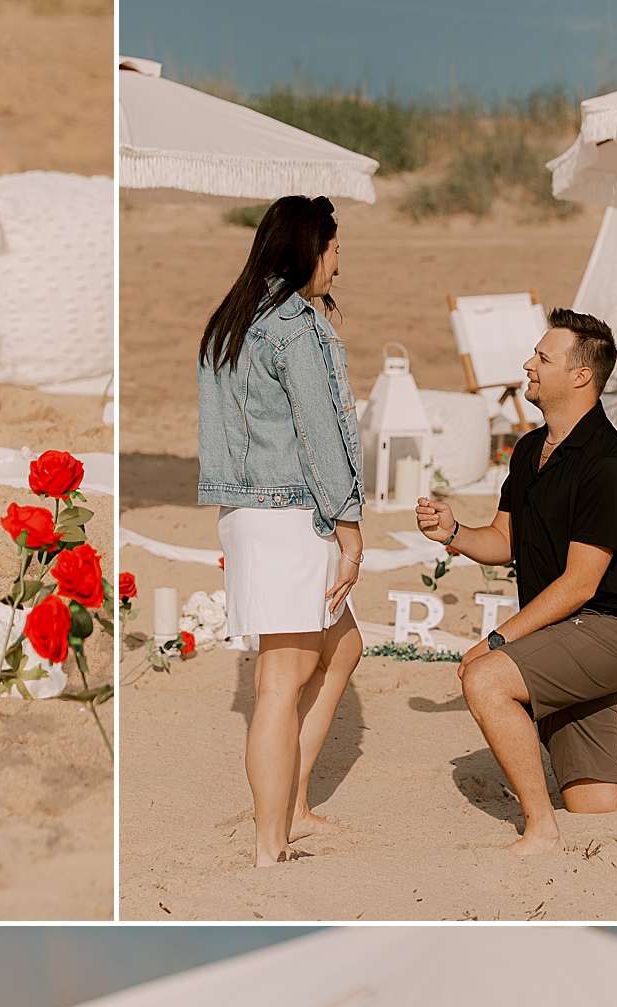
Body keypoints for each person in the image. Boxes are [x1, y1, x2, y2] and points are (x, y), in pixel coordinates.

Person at [416, 308, 617, 850]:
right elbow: (503, 540)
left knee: (486, 679)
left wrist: (497, 640)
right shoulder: (527, 451)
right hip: (568, 630)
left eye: (542, 357)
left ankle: (540, 829)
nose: (527, 365)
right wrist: (454, 533)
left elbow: (581, 583)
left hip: (611, 630)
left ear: (581, 375)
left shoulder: (609, 463)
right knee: (594, 799)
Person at [198, 195, 367, 868]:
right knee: (278, 681)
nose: (337, 262)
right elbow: (320, 436)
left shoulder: (233, 321)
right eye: (332, 249)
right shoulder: (296, 329)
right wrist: (349, 525)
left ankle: (290, 803)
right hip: (294, 513)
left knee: (343, 644)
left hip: (247, 513)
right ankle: (271, 844)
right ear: (305, 249)